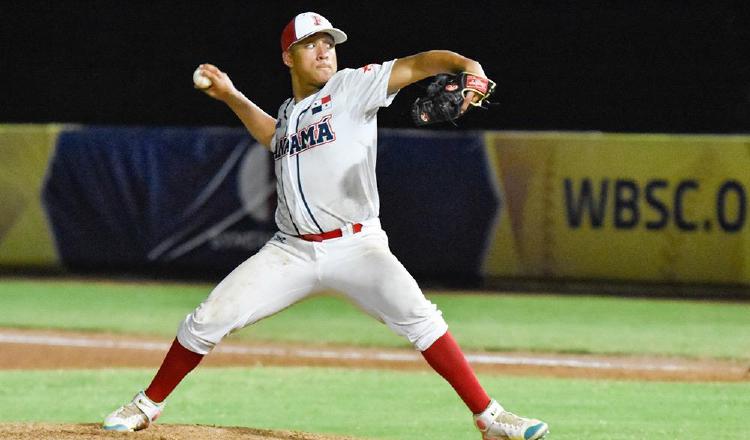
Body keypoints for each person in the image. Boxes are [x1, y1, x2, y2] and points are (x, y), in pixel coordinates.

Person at [103, 12, 548, 440]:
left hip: (358, 247)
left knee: (422, 320)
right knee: (205, 320)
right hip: (290, 251)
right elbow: (274, 136)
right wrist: (231, 96)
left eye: (328, 43)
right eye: (310, 45)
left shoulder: (353, 87)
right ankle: (147, 404)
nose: (323, 52)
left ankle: (490, 418)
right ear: (288, 58)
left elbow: (417, 65)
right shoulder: (292, 113)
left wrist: (466, 66)